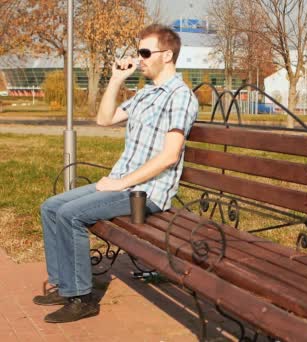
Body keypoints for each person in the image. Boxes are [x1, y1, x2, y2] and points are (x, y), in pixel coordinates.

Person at [33, 24, 199, 323]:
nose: (141, 58)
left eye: (146, 52)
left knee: (71, 214)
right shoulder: (145, 94)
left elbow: (170, 156)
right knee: (51, 207)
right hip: (120, 183)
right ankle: (64, 285)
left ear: (168, 55)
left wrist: (122, 182)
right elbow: (104, 119)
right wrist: (116, 78)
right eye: (139, 52)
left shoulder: (180, 96)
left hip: (145, 193)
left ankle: (81, 299)